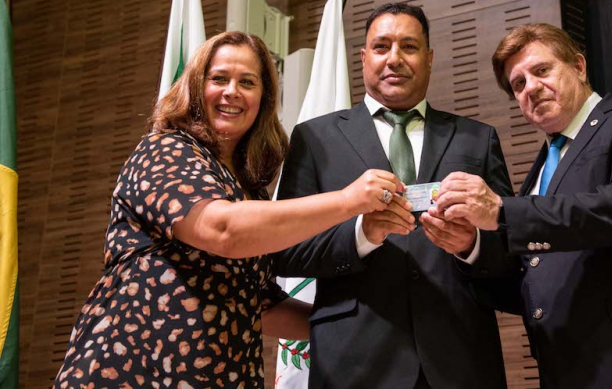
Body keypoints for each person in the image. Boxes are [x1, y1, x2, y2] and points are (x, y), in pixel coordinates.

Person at [53, 31, 408, 388]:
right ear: (196, 86)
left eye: (247, 82)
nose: (232, 92)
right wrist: (347, 201)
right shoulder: (164, 150)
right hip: (132, 371)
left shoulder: (250, 192)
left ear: (263, 99)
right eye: (219, 79)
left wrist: (365, 326)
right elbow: (223, 231)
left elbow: (260, 306)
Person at [431, 23, 612, 388]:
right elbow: (536, 285)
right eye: (519, 84)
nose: (531, 88)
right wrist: (470, 247)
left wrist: (502, 212)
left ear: (578, 66)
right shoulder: (541, 172)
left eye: (542, 70)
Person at [273, 3, 517, 389]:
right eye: (382, 46)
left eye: (409, 46)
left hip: (460, 359)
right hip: (352, 362)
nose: (394, 58)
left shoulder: (477, 139)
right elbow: (286, 250)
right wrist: (361, 235)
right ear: (364, 57)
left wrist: (471, 246)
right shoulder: (314, 139)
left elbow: (511, 244)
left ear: (429, 58)